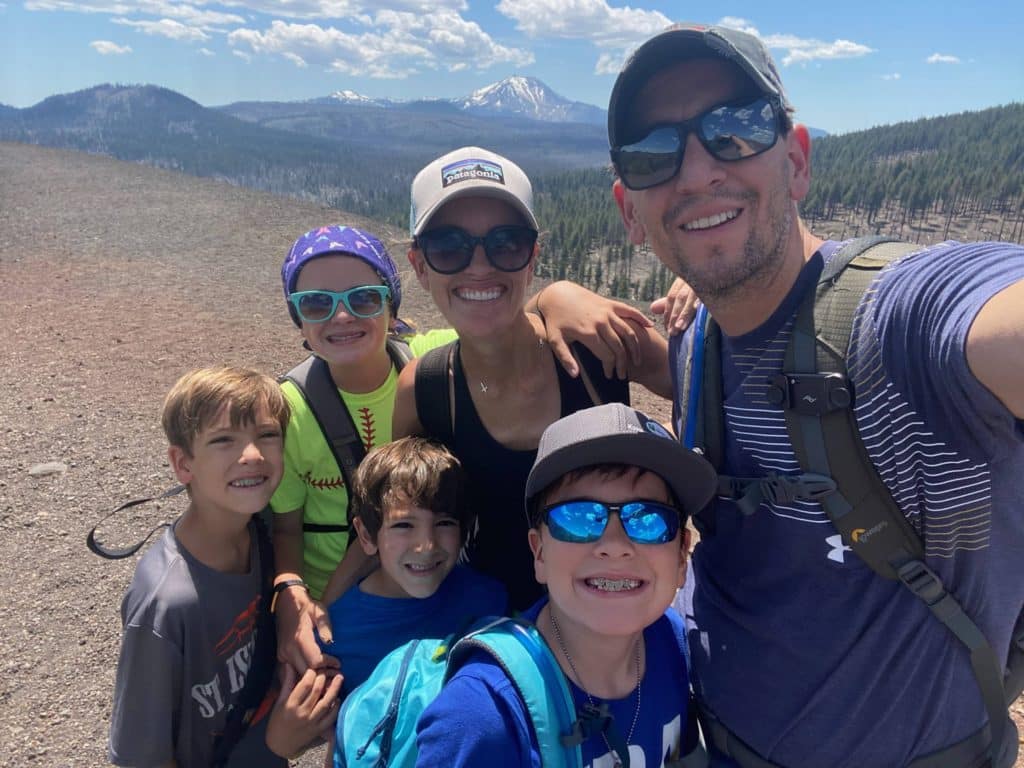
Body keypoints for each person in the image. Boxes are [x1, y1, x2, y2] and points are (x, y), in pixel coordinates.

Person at [608, 22, 1024, 768]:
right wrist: (550, 304)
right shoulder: (696, 342)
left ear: (796, 162)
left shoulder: (899, 321)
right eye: (653, 154)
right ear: (629, 212)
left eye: (735, 128)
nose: (697, 170)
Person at [273, 224, 662, 673]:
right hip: (386, 589)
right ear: (296, 315)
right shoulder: (289, 408)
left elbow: (497, 321)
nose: (342, 316)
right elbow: (292, 527)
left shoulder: (429, 358)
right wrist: (313, 605)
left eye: (363, 299)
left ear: (391, 304)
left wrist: (555, 297)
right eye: (316, 304)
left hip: (435, 578)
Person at [415, 402, 717, 766]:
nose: (614, 545)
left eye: (648, 519)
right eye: (579, 517)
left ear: (682, 556)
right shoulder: (483, 717)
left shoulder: (671, 642)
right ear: (539, 553)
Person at [110, 367, 293, 768]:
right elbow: (142, 758)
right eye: (223, 440)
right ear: (183, 463)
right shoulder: (165, 604)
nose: (253, 454)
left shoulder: (260, 534)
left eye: (267, 434)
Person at [319, 436, 507, 696]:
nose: (427, 546)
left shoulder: (491, 601)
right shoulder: (332, 638)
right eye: (404, 525)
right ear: (366, 535)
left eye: (444, 523)